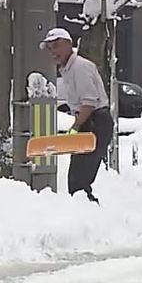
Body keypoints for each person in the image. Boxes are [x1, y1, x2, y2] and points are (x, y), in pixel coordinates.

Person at [43, 27, 112, 204]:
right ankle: (86, 213)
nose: (53, 52)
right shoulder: (67, 69)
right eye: (49, 48)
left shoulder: (80, 67)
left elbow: (89, 103)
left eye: (56, 46)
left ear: (68, 44)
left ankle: (90, 215)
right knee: (76, 179)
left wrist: (75, 127)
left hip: (96, 122)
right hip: (88, 123)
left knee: (79, 180)